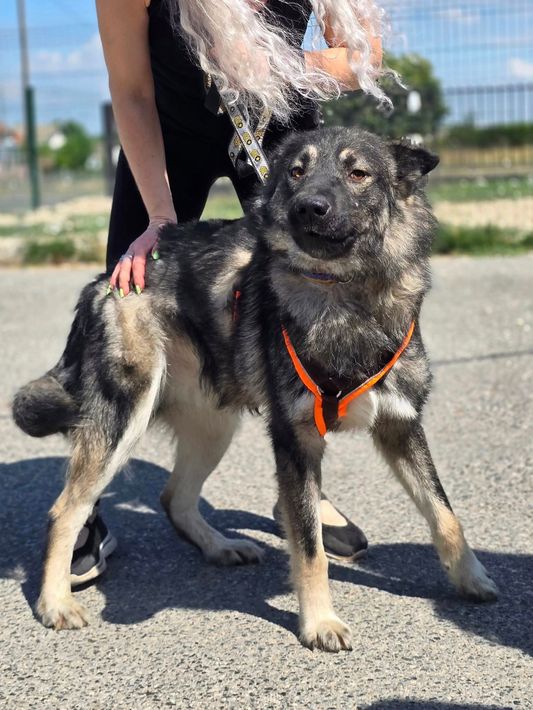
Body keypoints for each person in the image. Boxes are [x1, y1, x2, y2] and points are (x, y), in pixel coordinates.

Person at [72, 0, 386, 585]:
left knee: (304, 317)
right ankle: (83, 506)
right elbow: (132, 92)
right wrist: (160, 218)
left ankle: (302, 490)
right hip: (167, 136)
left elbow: (363, 54)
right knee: (123, 301)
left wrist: (275, 63)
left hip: (279, 123)